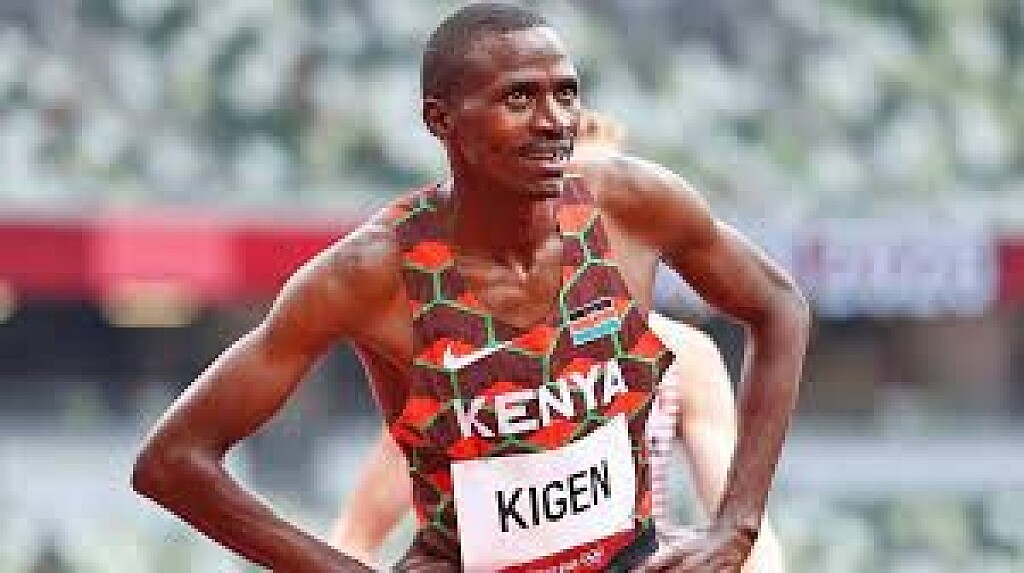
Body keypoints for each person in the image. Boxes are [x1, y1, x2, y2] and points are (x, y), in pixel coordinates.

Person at [132, 4, 809, 572]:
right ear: (440, 118)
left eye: (566, 92)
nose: (554, 120)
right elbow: (172, 460)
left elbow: (779, 304)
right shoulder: (370, 273)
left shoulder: (632, 207)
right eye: (520, 97)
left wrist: (738, 526)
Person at [329, 112, 786, 572]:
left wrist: (739, 542)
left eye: (607, 200)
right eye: (564, 199)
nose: (586, 218)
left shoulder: (684, 358)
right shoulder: (455, 366)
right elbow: (355, 536)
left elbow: (749, 536)